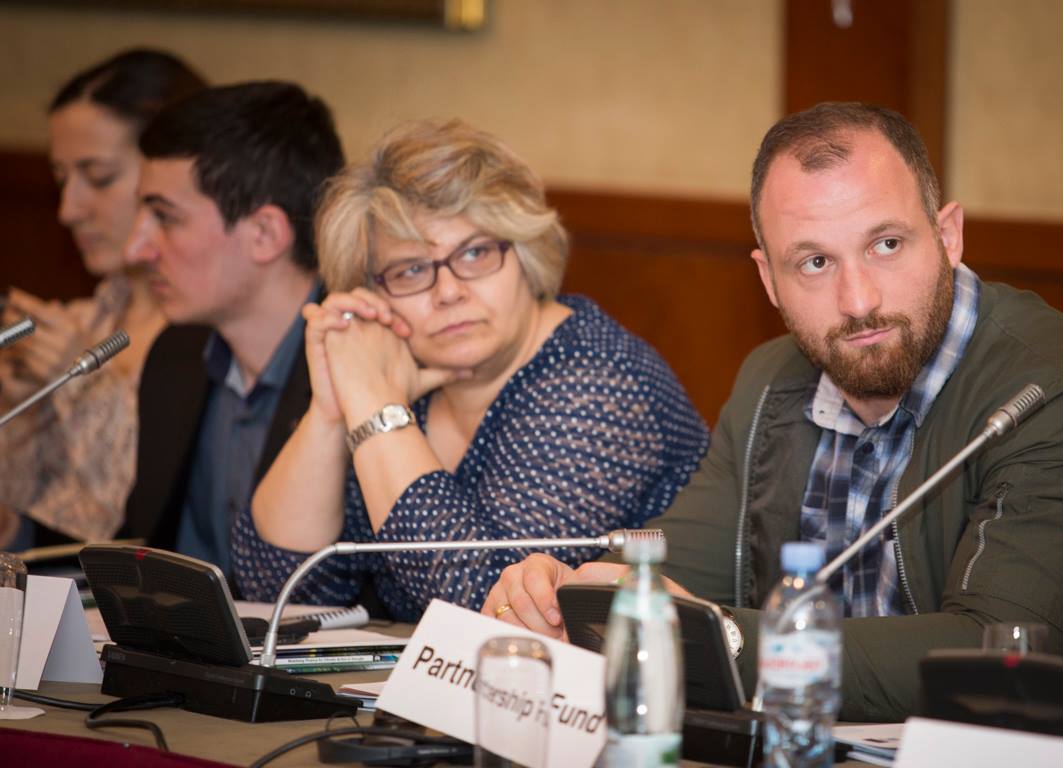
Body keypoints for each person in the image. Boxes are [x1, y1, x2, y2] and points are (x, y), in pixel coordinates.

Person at [481, 102, 1063, 727]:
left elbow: (994, 653)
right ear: (768, 280)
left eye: (886, 244)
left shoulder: (1060, 400)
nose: (858, 300)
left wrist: (730, 640)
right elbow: (677, 573)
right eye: (814, 262)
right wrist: (573, 595)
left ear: (948, 236)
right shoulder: (770, 381)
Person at [230, 119, 709, 620]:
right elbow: (275, 589)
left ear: (525, 252)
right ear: (371, 293)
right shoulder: (399, 376)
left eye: (475, 253)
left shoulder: (600, 381)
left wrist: (376, 408)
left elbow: (486, 603)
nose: (449, 291)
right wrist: (332, 407)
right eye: (411, 270)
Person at [121, 81, 344, 575]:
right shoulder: (175, 356)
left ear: (265, 233)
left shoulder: (356, 370)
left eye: (164, 217)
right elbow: (137, 553)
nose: (134, 250)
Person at [0, 49, 205, 550]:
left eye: (99, 177)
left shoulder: (211, 339)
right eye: (61, 178)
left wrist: (79, 386)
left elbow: (141, 529)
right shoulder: (79, 322)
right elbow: (22, 523)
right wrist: (19, 406)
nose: (68, 210)